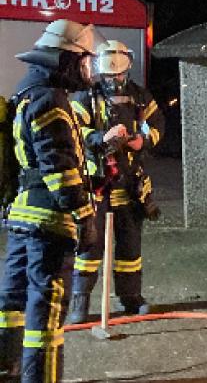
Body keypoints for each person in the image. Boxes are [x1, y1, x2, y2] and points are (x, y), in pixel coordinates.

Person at [0, 19, 104, 382]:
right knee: (46, 309)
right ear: (65, 60)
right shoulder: (51, 100)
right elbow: (60, 168)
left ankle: (6, 366)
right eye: (85, 60)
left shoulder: (25, 92)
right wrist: (84, 216)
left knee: (12, 300)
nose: (89, 69)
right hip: (49, 221)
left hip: (22, 216)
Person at [65, 41, 165, 324]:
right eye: (109, 76)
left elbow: (158, 125)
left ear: (127, 69)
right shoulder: (86, 97)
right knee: (89, 246)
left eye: (119, 75)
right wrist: (100, 139)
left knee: (130, 246)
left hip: (130, 184)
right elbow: (74, 129)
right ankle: (79, 304)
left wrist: (140, 141)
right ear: (100, 72)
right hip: (97, 185)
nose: (114, 80)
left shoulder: (141, 97)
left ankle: (131, 298)